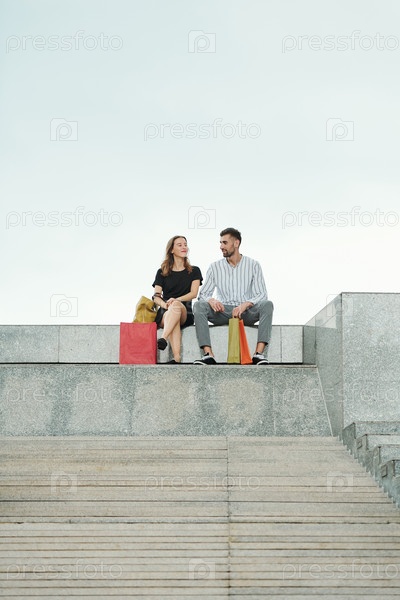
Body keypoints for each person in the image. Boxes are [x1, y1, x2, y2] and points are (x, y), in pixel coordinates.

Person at [193, 227, 273, 365]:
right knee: (198, 305)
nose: (221, 246)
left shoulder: (253, 265)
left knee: (267, 304)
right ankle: (208, 354)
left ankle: (258, 354)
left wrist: (246, 304)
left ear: (236, 243)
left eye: (224, 243)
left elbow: (262, 294)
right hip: (223, 311)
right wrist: (212, 300)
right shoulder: (214, 267)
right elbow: (203, 294)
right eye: (220, 243)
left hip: (246, 312)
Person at [152, 235, 202, 364]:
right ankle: (177, 358)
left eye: (185, 244)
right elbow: (156, 296)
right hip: (166, 311)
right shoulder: (162, 272)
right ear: (172, 250)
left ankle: (163, 338)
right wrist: (165, 305)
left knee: (176, 306)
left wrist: (176, 300)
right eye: (179, 245)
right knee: (174, 314)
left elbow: (193, 294)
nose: (184, 247)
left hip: (185, 311)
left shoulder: (194, 271)